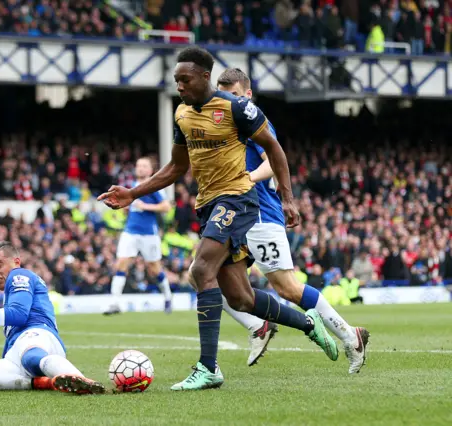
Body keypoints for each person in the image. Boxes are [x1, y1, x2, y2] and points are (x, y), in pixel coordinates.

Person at [98, 46, 337, 391]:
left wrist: (287, 198)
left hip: (238, 199)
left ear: (205, 77)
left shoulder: (236, 107)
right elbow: (177, 167)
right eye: (176, 80)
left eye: (185, 79)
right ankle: (309, 324)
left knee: (200, 271)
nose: (179, 86)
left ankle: (208, 367)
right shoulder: (182, 115)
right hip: (208, 204)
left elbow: (274, 148)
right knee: (240, 297)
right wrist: (133, 193)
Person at [215, 68, 369, 373]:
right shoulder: (227, 126)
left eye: (232, 95)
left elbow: (272, 161)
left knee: (287, 288)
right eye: (222, 96)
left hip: (258, 213)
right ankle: (257, 326)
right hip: (236, 214)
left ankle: (350, 335)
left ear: (246, 95)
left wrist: (246, 180)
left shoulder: (253, 119)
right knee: (206, 275)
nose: (226, 101)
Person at [0, 241, 105, 394]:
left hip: (37, 336)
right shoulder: (9, 289)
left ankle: (83, 381)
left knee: (30, 358)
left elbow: (18, 315)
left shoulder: (19, 275)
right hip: (14, 357)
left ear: (16, 262)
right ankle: (43, 382)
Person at [104, 157, 173, 315]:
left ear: (150, 170)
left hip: (149, 234)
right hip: (130, 232)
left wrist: (145, 206)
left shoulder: (154, 187)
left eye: (144, 166)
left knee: (154, 269)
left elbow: (166, 207)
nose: (140, 168)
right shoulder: (132, 187)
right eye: (138, 166)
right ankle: (115, 303)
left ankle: (168, 297)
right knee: (121, 264)